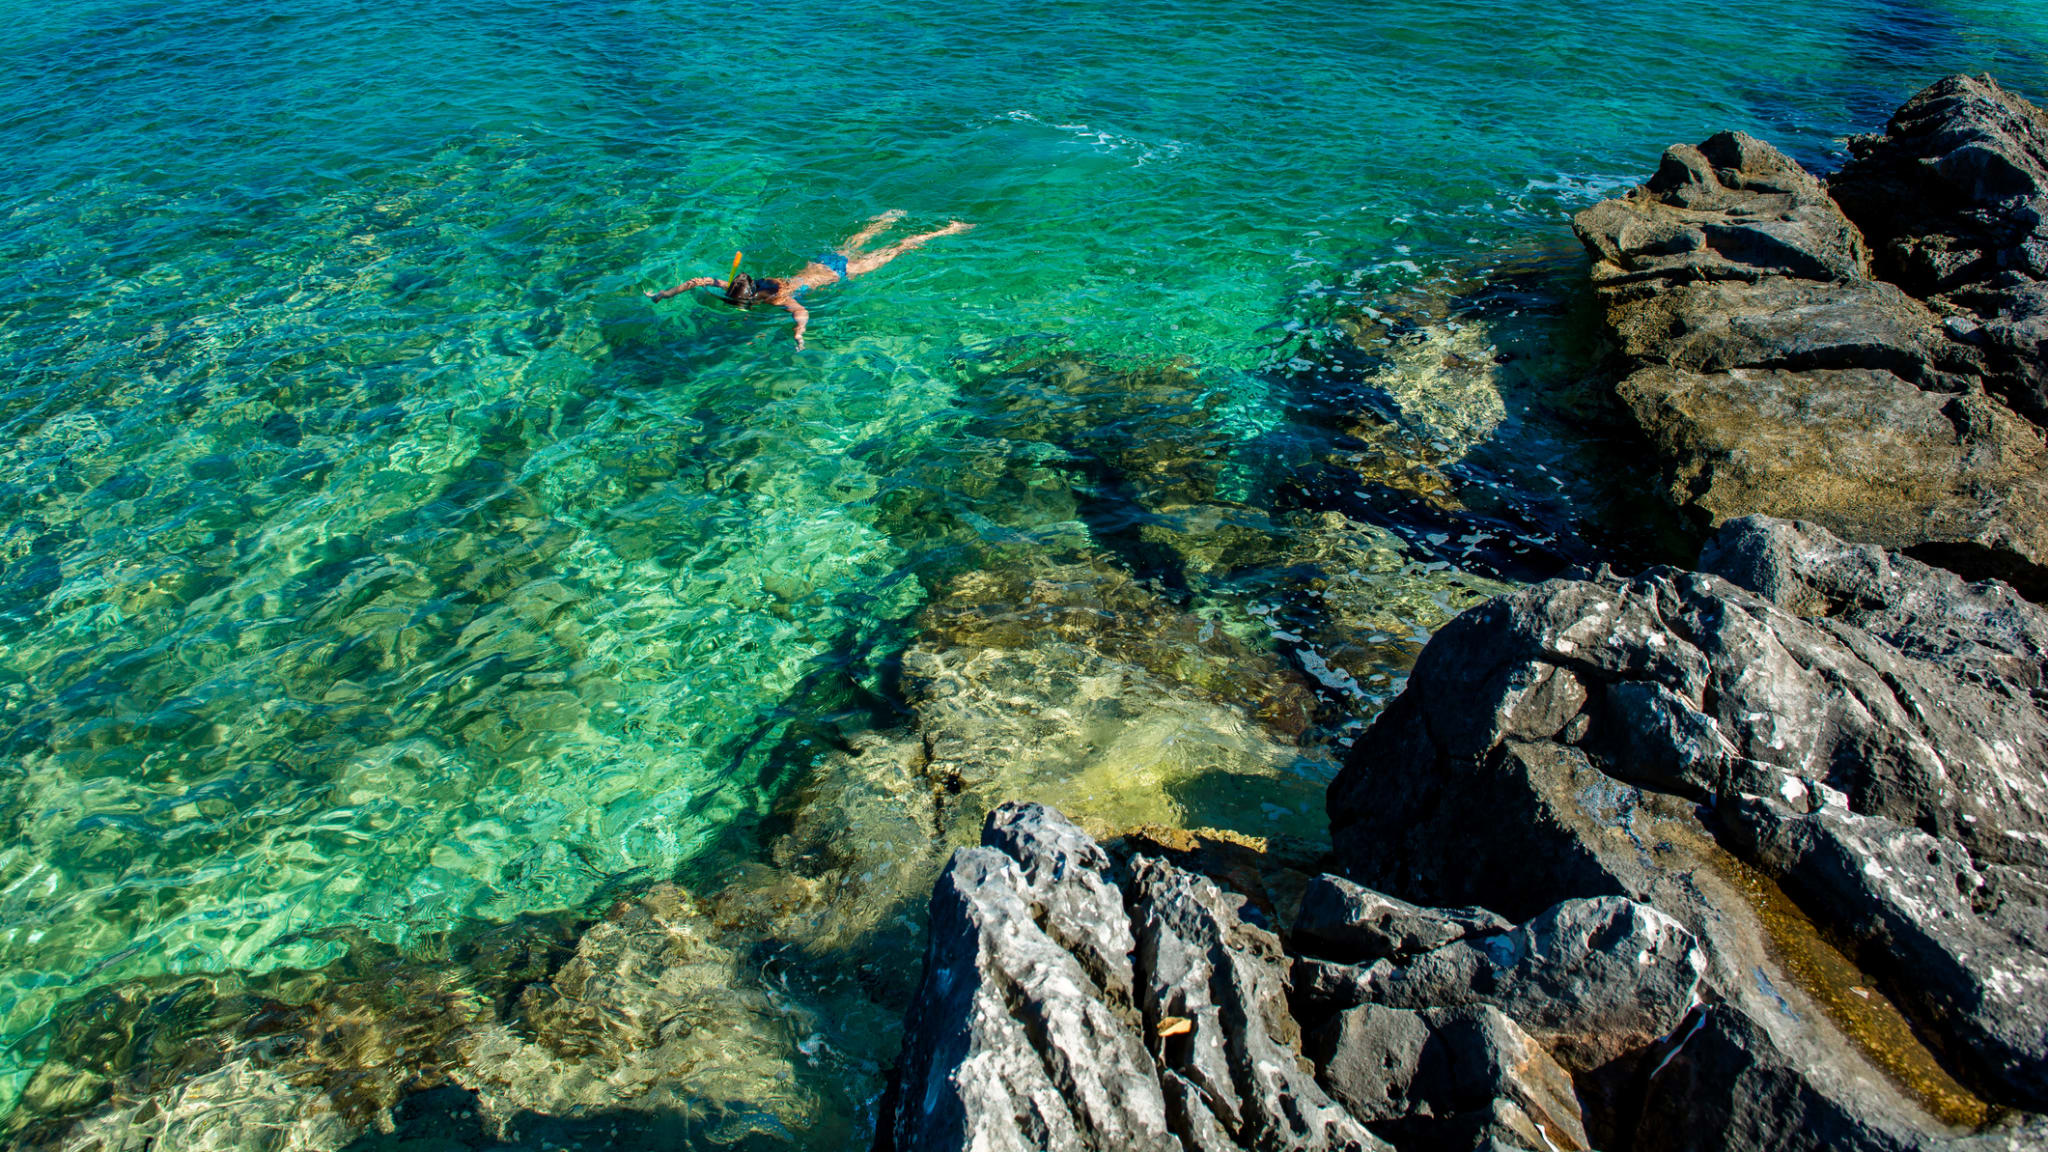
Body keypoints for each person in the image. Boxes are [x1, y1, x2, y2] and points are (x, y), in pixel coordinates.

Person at [645, 211, 971, 348]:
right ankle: (887, 218)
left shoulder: (778, 298)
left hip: (838, 272)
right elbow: (700, 280)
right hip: (819, 262)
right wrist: (664, 294)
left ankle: (946, 230)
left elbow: (801, 311)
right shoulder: (753, 286)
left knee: (897, 250)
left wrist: (799, 332)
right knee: (856, 241)